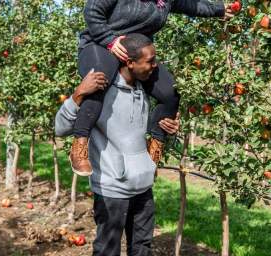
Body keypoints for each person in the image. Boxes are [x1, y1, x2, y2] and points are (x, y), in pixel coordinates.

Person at [70, 0, 237, 176]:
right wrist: (109, 40)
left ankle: (153, 151)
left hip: (137, 54)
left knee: (170, 94)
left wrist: (220, 9)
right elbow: (92, 10)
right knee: (100, 78)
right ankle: (79, 144)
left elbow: (193, 5)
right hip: (100, 45)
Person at [55, 33, 179, 256]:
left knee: (142, 250)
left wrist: (170, 129)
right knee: (107, 251)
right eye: (150, 61)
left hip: (144, 187)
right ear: (130, 62)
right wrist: (78, 94)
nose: (155, 65)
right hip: (112, 189)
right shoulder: (100, 91)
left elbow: (143, 134)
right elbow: (60, 128)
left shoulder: (145, 92)